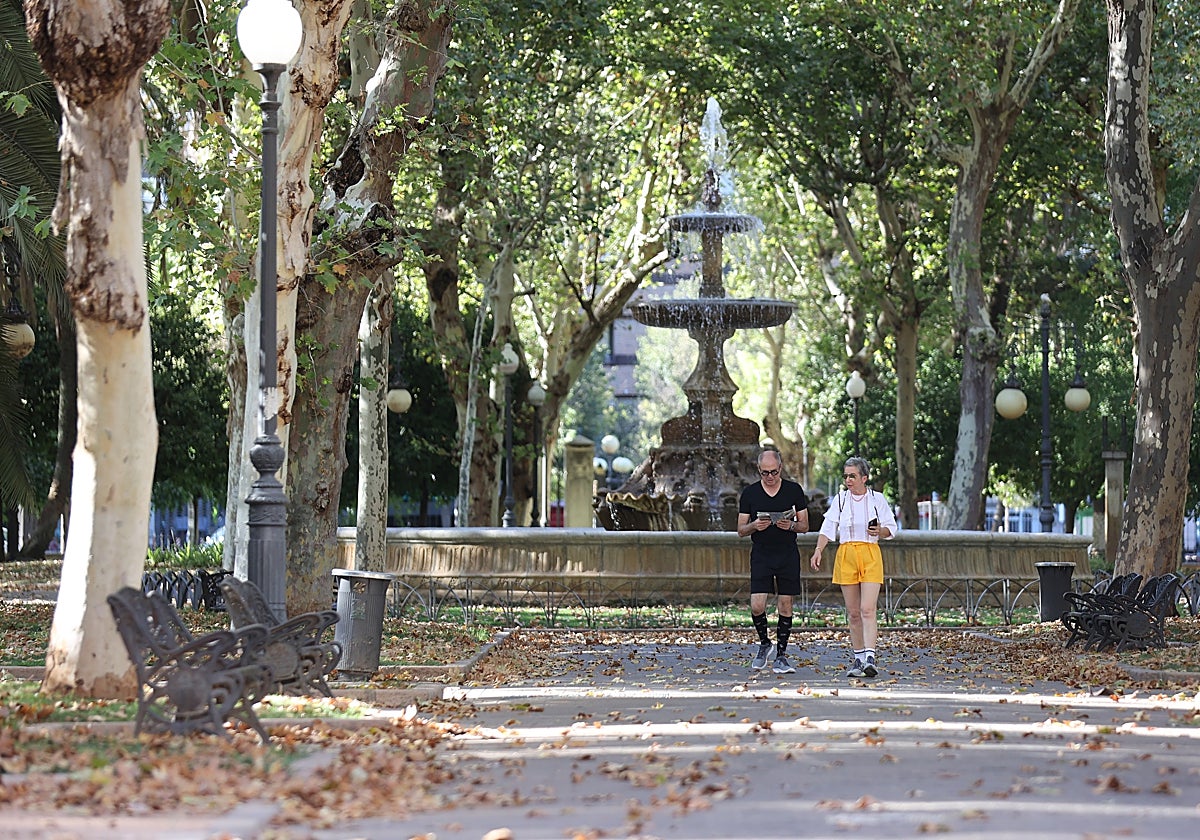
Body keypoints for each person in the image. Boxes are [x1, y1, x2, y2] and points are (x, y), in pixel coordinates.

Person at [808, 456, 897, 678]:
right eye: (846, 476)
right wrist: (819, 550)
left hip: (869, 553)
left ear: (864, 478)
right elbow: (828, 527)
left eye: (852, 476)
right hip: (846, 553)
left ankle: (870, 657)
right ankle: (857, 658)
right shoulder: (840, 500)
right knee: (854, 612)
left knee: (868, 608)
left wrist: (880, 531)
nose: (848, 480)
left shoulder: (877, 499)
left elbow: (891, 528)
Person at [736, 449, 810, 674]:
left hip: (787, 553)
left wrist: (792, 525)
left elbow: (805, 525)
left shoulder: (793, 490)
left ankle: (781, 655)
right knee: (757, 605)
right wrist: (754, 526)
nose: (769, 477)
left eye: (774, 472)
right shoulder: (749, 494)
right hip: (761, 554)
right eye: (765, 473)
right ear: (758, 470)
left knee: (785, 605)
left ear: (781, 468)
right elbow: (740, 530)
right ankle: (764, 643)